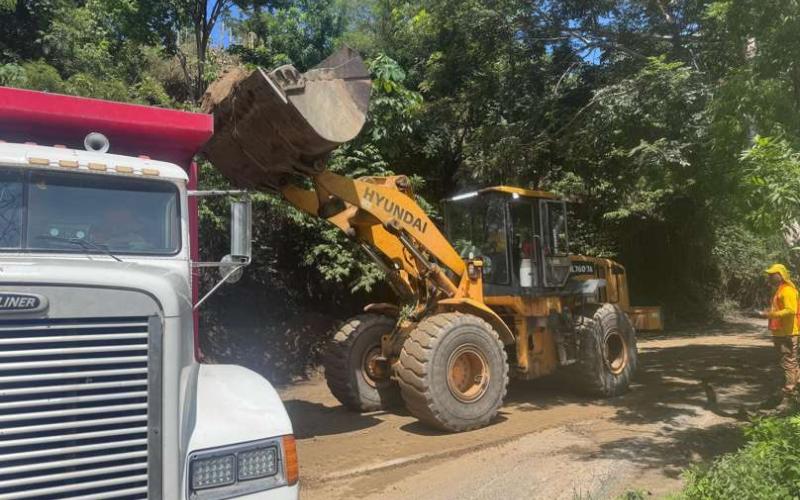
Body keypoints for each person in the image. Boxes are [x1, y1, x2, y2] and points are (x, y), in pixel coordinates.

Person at [760, 264, 800, 402]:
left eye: (772, 274)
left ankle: (789, 391)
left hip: (787, 333)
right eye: (769, 275)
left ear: (780, 275)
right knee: (789, 361)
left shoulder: (787, 290)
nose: (769, 277)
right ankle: (795, 385)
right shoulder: (780, 290)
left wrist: (770, 314)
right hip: (781, 332)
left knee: (788, 362)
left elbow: (791, 310)